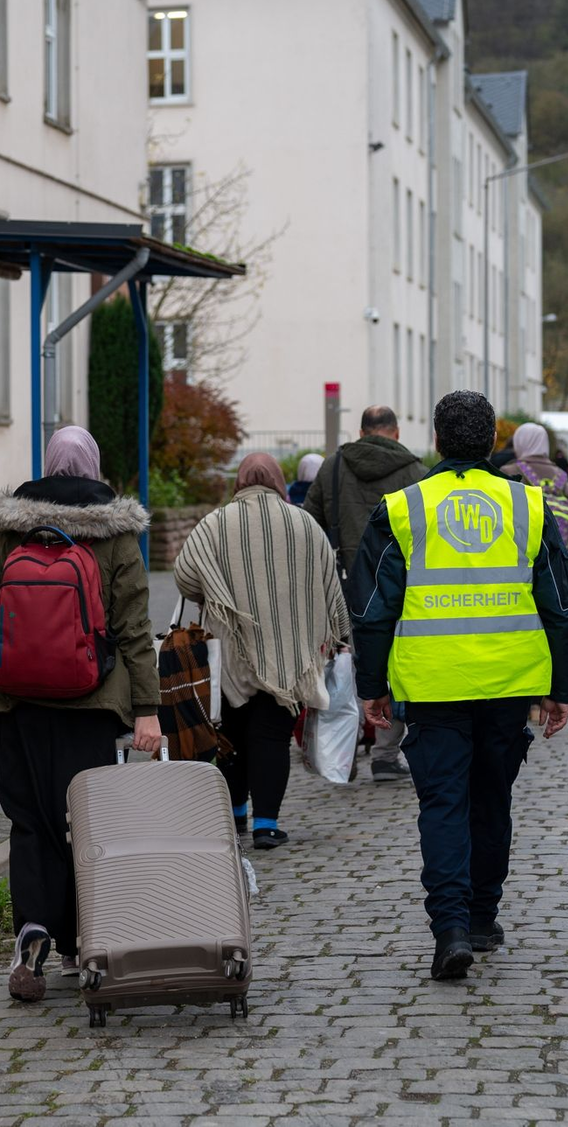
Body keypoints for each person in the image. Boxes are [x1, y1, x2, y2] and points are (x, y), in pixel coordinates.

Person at [349, 390, 568, 981]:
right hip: (509, 681)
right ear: (492, 440)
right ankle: (480, 918)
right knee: (492, 799)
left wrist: (371, 686)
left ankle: (449, 928)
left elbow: (372, 609)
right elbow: (558, 604)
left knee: (443, 804)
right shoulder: (528, 506)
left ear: (438, 442)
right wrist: (560, 687)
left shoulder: (403, 508)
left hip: (433, 684)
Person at [0, 426, 160, 1004]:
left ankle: (33, 928)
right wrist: (147, 710)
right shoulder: (116, 532)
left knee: (29, 820)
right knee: (84, 823)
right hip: (92, 702)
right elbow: (133, 628)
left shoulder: (10, 527)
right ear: (95, 466)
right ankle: (83, 940)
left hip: (20, 702)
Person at [175, 453, 349, 850]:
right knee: (272, 735)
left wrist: (216, 593)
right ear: (278, 482)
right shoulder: (304, 522)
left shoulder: (215, 523)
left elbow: (185, 574)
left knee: (231, 733)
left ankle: (235, 814)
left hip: (229, 648)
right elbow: (328, 583)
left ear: (238, 482)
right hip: (289, 653)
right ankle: (266, 824)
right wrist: (336, 633)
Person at [303, 404, 427, 781]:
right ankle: (386, 754)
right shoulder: (415, 472)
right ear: (396, 432)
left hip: (342, 586)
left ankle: (343, 752)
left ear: (360, 432)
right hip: (398, 586)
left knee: (344, 669)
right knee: (394, 668)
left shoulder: (334, 467)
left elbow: (309, 524)